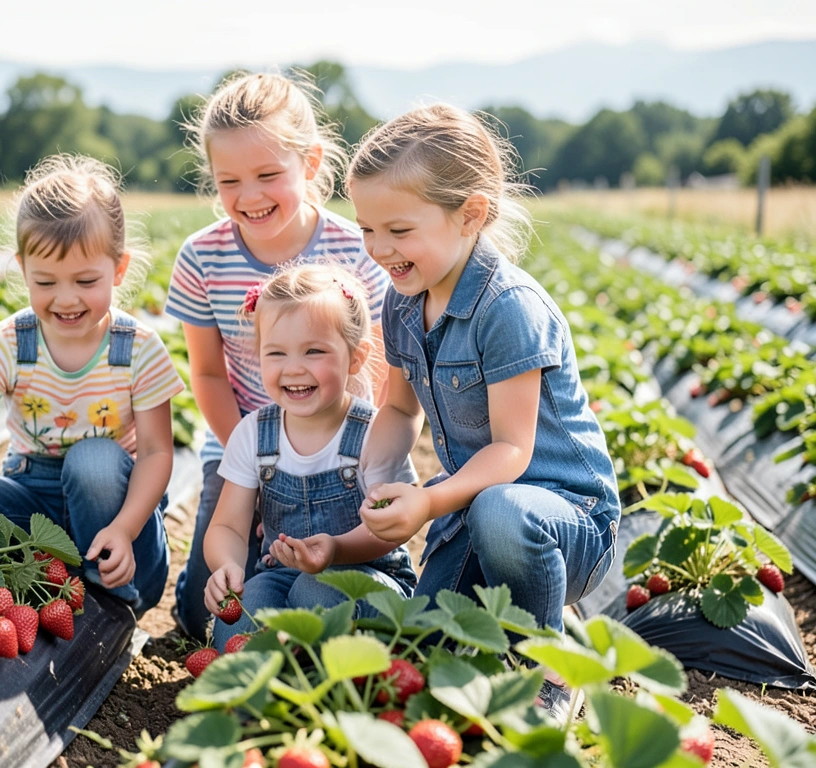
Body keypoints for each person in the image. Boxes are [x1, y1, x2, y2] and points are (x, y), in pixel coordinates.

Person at [346, 104, 621, 718]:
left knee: (502, 508)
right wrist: (378, 479)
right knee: (429, 648)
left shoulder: (508, 308)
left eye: (398, 230)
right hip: (475, 511)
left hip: (564, 519)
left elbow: (512, 453)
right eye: (367, 229)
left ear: (469, 214)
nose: (379, 249)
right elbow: (397, 406)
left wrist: (430, 501)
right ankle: (509, 633)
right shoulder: (401, 303)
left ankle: (555, 662)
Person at [0, 155, 185, 614]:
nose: (66, 298)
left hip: (122, 526)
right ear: (23, 270)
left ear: (118, 270)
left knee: (93, 462)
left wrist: (125, 528)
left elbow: (159, 452)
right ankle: (44, 579)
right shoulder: (8, 342)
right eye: (45, 282)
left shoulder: (137, 348)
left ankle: (106, 600)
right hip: (33, 503)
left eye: (86, 280)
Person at [166, 71, 405, 640]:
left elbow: (370, 363)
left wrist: (336, 442)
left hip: (338, 432)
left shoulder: (356, 246)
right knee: (216, 602)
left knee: (324, 586)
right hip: (243, 430)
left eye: (269, 175)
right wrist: (251, 456)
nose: (249, 196)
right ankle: (188, 611)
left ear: (312, 163)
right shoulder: (203, 258)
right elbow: (205, 371)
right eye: (230, 181)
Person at [203, 264, 416, 651]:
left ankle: (328, 688)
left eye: (314, 351)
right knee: (237, 625)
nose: (294, 368)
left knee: (316, 593)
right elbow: (229, 527)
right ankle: (262, 696)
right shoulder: (254, 433)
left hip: (367, 577)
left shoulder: (374, 433)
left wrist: (336, 550)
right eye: (277, 353)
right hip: (280, 575)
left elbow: (392, 527)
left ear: (355, 357)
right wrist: (227, 565)